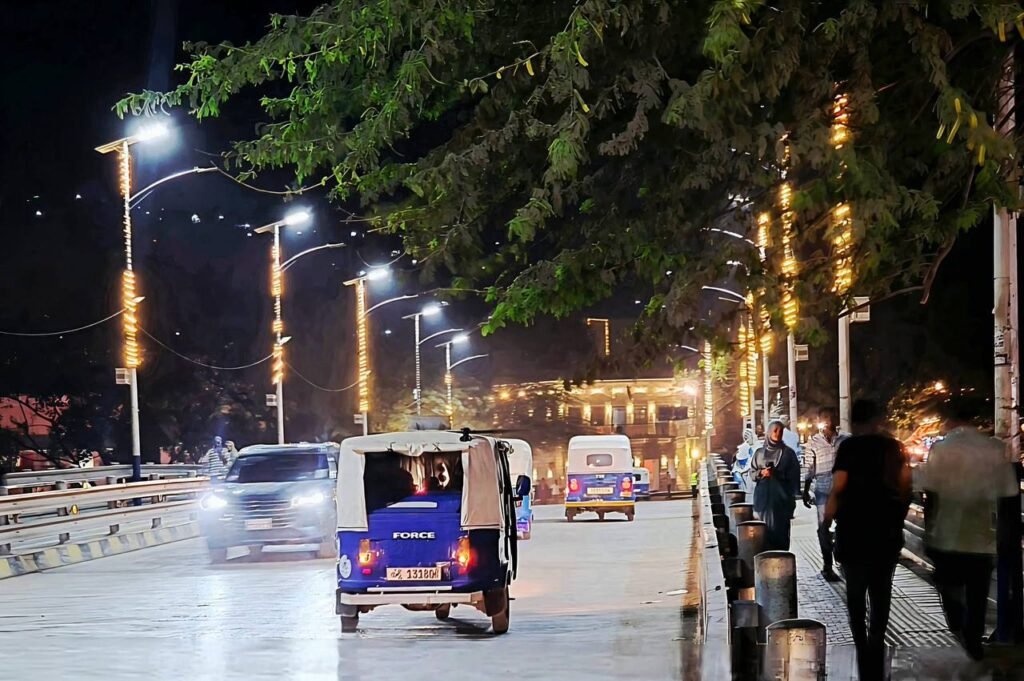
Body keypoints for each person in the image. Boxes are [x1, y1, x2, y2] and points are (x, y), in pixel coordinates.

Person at [915, 400, 1019, 661]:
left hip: (948, 535)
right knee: (978, 593)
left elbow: (931, 493)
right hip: (982, 537)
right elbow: (1008, 494)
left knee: (950, 589)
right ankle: (973, 640)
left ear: (950, 420)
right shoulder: (992, 449)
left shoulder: (941, 449)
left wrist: (929, 531)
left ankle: (960, 631)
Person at [824, 399, 911, 681]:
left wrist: (827, 519)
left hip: (853, 531)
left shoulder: (848, 447)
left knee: (855, 593)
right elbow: (905, 484)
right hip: (885, 533)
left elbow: (839, 486)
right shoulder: (894, 447)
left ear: (854, 421)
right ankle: (876, 641)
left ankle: (861, 646)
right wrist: (897, 515)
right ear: (878, 418)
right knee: (881, 590)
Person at [802, 407, 848, 582]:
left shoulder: (845, 439)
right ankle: (827, 565)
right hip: (822, 489)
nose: (828, 420)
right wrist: (806, 490)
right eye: (825, 417)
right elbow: (809, 467)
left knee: (844, 524)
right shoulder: (813, 441)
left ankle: (842, 557)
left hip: (843, 489)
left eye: (831, 417)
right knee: (823, 527)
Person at [751, 420, 801, 550]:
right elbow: (752, 474)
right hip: (763, 499)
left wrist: (793, 497)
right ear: (769, 432)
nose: (777, 434)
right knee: (764, 533)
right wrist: (762, 473)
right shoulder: (759, 453)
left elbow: (795, 476)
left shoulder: (788, 453)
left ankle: (781, 558)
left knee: (781, 533)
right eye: (775, 430)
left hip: (782, 499)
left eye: (780, 431)